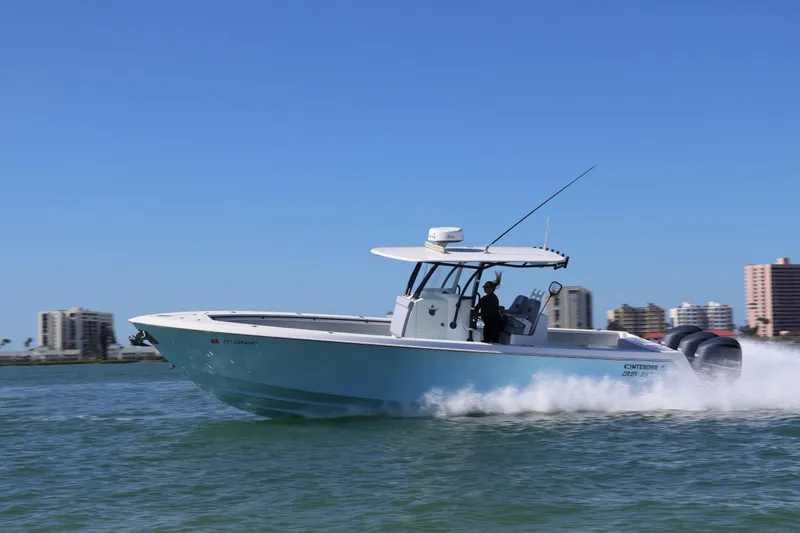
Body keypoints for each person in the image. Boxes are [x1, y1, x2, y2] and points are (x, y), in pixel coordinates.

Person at [476, 271, 504, 343]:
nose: (484, 288)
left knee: (494, 341)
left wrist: (480, 314)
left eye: (486, 287)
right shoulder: (483, 298)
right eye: (484, 287)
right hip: (488, 323)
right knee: (486, 340)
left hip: (495, 323)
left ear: (492, 288)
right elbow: (477, 307)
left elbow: (490, 311)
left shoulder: (493, 299)